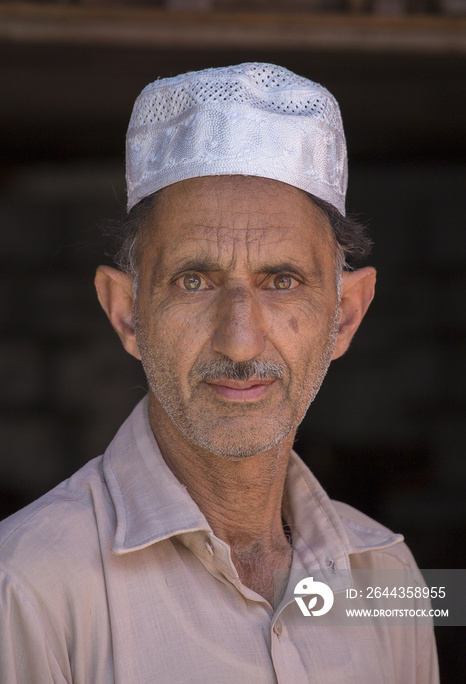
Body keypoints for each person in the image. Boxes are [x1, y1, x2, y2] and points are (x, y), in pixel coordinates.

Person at [0, 63, 439, 683]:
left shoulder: (388, 575)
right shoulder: (28, 585)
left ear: (344, 316)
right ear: (126, 313)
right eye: (194, 281)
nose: (239, 341)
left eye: (282, 282)